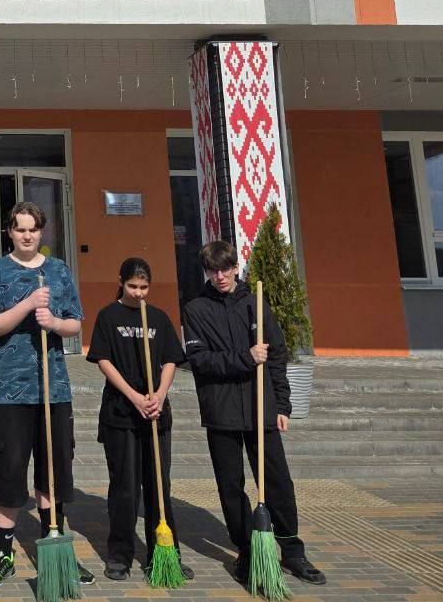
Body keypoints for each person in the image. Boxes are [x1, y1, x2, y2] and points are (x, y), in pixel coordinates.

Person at [181, 240, 325, 587]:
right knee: (231, 485)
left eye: (225, 269)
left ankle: (292, 551)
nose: (220, 276)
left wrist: (283, 405)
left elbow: (276, 356)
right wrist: (246, 358)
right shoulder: (195, 309)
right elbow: (200, 361)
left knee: (277, 482)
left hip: (261, 408)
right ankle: (247, 550)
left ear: (235, 267)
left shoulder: (255, 303)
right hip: (221, 410)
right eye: (213, 271)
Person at [0, 202, 91, 590]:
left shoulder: (58, 270)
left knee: (53, 473)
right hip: (7, 392)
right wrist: (27, 305)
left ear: (42, 232)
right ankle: (3, 555)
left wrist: (54, 322)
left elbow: (75, 324)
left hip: (52, 390)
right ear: (10, 231)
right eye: (20, 229)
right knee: (9, 474)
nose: (27, 236)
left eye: (33, 229)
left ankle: (55, 549)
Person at [85, 258, 192, 583]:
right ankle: (120, 554)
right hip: (121, 411)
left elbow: (171, 359)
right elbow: (103, 360)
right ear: (121, 281)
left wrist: (159, 394)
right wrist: (133, 396)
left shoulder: (158, 317)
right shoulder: (108, 316)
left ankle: (165, 552)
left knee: (159, 485)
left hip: (155, 413)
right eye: (133, 286)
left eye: (144, 287)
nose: (139, 293)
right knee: (125, 487)